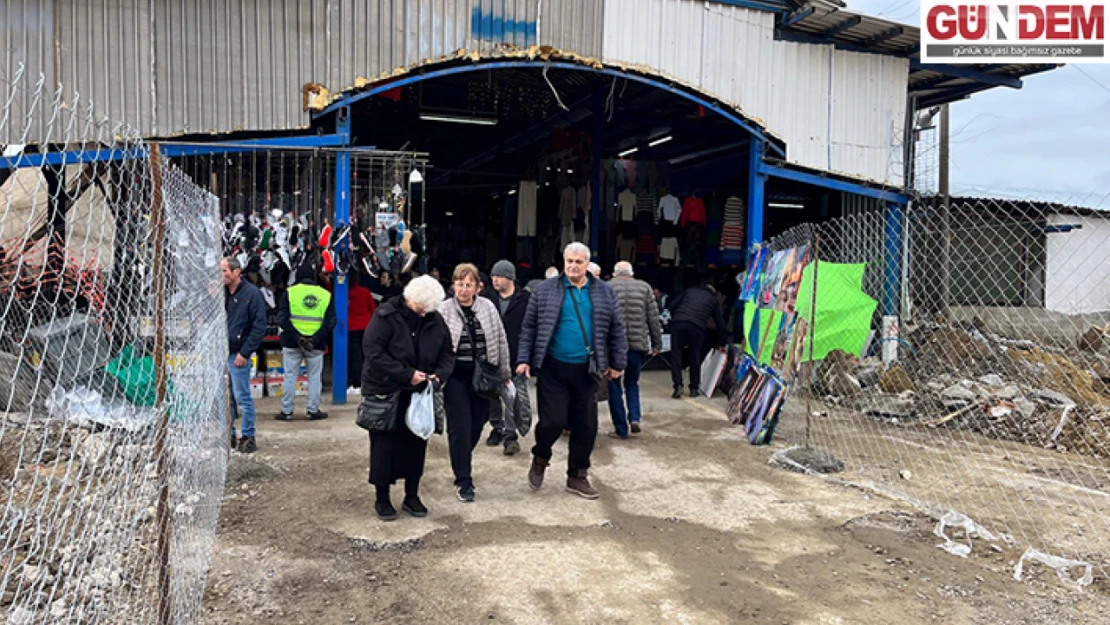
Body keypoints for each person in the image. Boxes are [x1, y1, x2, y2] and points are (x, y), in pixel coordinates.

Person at [517, 243, 627, 499]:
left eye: (578, 262)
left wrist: (617, 363)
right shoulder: (544, 291)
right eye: (569, 261)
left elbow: (617, 329)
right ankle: (541, 455)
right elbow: (529, 328)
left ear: (587, 264)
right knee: (552, 422)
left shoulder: (604, 293)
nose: (573, 266)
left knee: (586, 426)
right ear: (563, 262)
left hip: (588, 370)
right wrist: (524, 359)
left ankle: (577, 476)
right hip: (553, 368)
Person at [362, 276, 455, 521]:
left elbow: (447, 352)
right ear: (412, 300)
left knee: (417, 443)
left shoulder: (435, 319)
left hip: (420, 391)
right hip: (386, 390)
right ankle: (382, 498)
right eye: (423, 309)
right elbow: (373, 351)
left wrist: (439, 375)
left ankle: (411, 496)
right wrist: (406, 374)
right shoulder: (386, 316)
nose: (425, 314)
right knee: (383, 446)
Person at [438, 263, 512, 502]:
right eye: (460, 284)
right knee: (459, 426)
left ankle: (459, 458)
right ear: (453, 285)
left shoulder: (488, 308)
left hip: (485, 375)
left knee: (479, 422)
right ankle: (464, 480)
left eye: (469, 285)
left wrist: (505, 372)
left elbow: (500, 339)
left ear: (478, 287)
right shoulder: (444, 310)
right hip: (456, 376)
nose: (464, 290)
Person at [606, 262, 663, 438]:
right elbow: (653, 318)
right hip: (636, 346)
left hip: (614, 346)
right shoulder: (644, 287)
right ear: (632, 273)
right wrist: (656, 343)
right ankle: (635, 418)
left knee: (613, 385)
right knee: (632, 383)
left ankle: (621, 429)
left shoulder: (607, 287)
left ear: (615, 273)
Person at [276, 263, 335, 420]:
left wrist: (297, 338)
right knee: (314, 377)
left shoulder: (289, 293)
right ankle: (312, 410)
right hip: (315, 344)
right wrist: (314, 339)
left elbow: (282, 319)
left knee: (290, 376)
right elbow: (330, 321)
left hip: (292, 342)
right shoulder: (325, 294)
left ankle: (287, 411)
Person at [484, 260, 531, 455]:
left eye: (499, 276)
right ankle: (497, 428)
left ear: (510, 277)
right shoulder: (486, 298)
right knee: (491, 396)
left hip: (516, 354)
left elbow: (530, 330)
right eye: (493, 275)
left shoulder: (525, 299)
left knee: (512, 396)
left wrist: (526, 358)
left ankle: (511, 436)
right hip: (490, 355)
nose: (494, 279)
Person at [222, 257, 267, 453]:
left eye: (225, 271)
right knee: (225, 397)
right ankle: (230, 435)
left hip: (238, 353)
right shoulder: (221, 294)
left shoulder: (252, 294)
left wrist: (245, 352)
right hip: (223, 351)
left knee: (242, 397)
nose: (221, 275)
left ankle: (248, 436)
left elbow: (259, 327)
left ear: (236, 272)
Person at [667, 279, 726, 398]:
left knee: (676, 355)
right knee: (695, 355)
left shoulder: (689, 292)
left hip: (678, 323)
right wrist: (722, 342)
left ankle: (678, 386)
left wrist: (676, 318)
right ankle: (694, 388)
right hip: (697, 326)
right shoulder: (713, 299)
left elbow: (672, 306)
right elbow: (720, 323)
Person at [347, 274, 378, 393]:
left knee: (354, 357)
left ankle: (356, 383)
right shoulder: (365, 292)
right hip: (366, 326)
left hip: (350, 328)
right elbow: (373, 308)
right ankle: (368, 380)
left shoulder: (345, 293)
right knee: (367, 355)